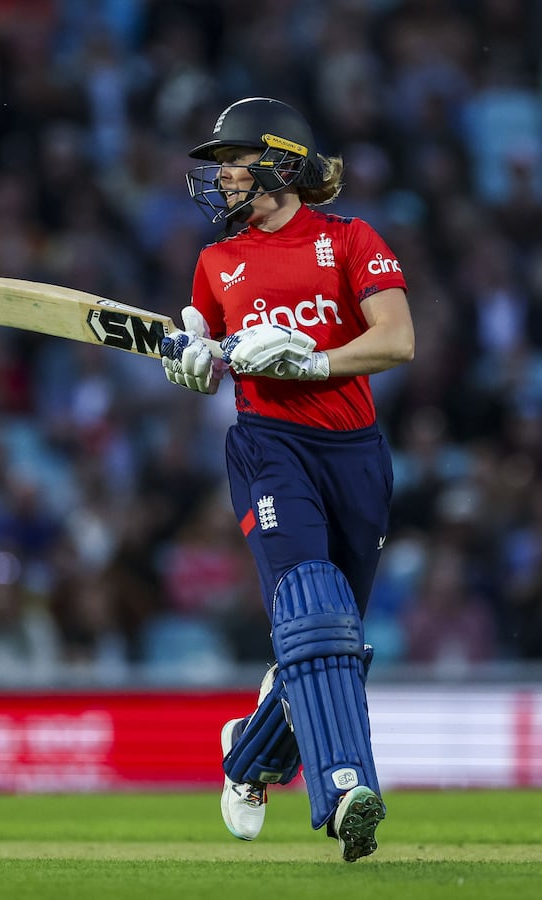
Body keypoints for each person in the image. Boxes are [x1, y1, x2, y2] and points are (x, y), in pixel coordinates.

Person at [160, 97, 415, 862]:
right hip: (270, 445)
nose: (223, 178)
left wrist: (313, 360)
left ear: (280, 161)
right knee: (315, 612)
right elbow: (209, 361)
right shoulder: (215, 263)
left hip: (355, 452)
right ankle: (345, 794)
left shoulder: (350, 240)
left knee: (334, 639)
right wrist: (194, 362)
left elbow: (398, 341)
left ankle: (250, 754)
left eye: (234, 161)